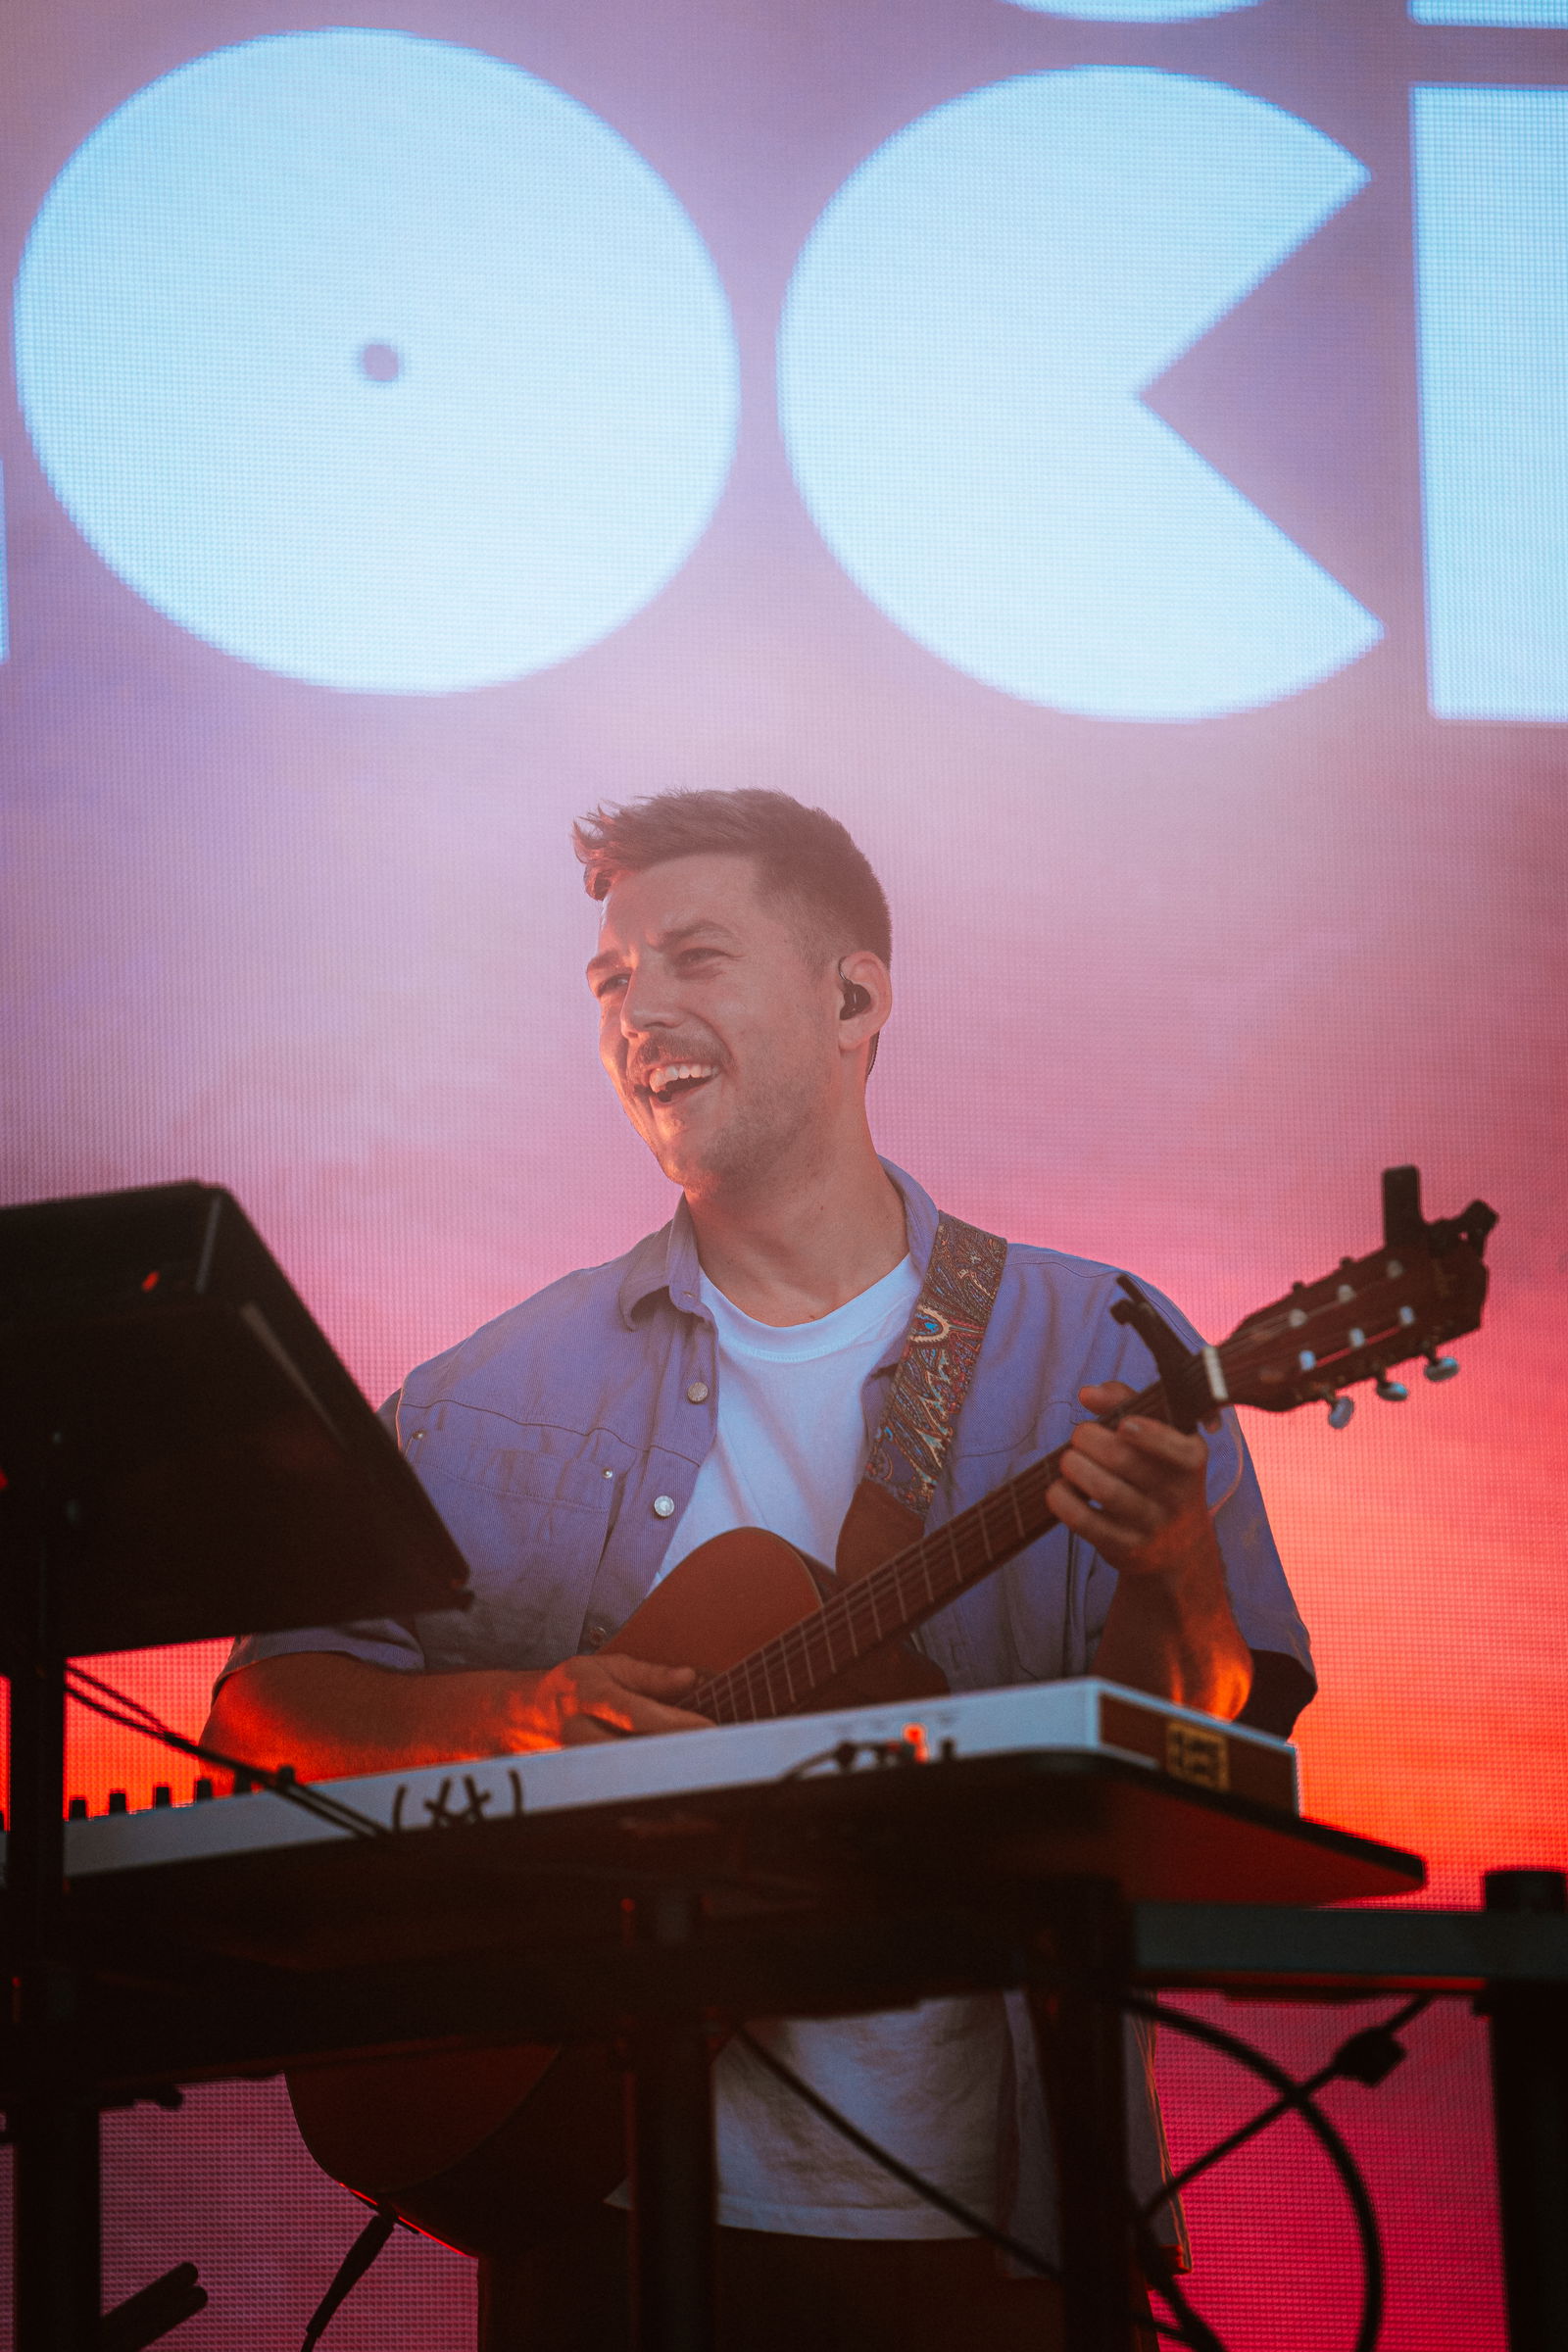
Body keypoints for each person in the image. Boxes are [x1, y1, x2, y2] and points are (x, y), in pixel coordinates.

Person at [206, 789, 1314, 2352]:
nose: (640, 1009)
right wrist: (519, 1711)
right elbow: (265, 1716)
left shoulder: (1101, 1345)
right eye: (610, 981)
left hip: (996, 2228)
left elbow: (1206, 1770)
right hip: (600, 2202)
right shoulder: (491, 1387)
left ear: (854, 996)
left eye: (696, 958)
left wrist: (1178, 1567)